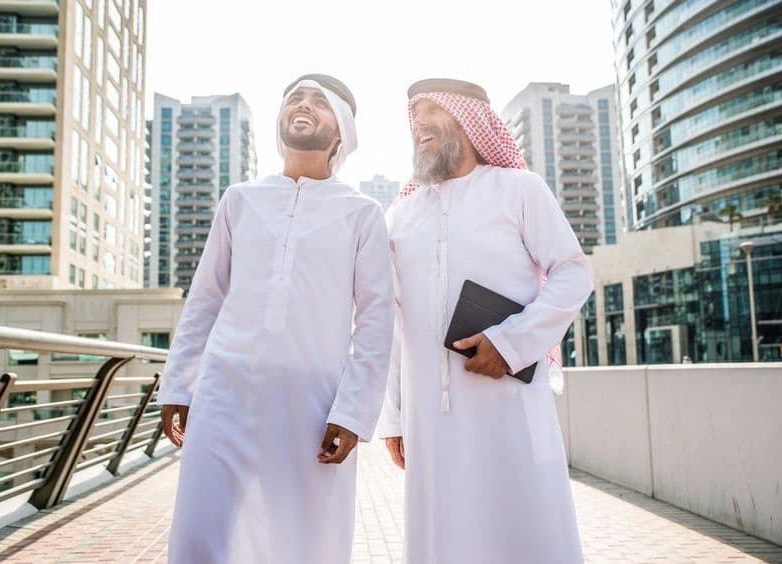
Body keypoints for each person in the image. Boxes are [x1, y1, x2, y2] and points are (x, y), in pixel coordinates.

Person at [158, 73, 394, 563]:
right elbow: (205, 300)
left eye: (319, 102)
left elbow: (374, 322)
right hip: (224, 392)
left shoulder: (362, 213)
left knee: (305, 541)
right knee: (200, 532)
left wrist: (353, 412)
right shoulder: (240, 200)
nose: (303, 106)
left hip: (311, 401)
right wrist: (179, 386)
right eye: (295, 98)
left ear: (342, 133)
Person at [378, 78, 592, 563]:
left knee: (523, 534)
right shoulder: (400, 217)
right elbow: (392, 324)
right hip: (428, 419)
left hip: (509, 407)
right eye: (415, 113)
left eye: (434, 109)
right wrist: (394, 417)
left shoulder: (518, 189)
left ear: (471, 121)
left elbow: (572, 274)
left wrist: (511, 343)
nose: (420, 122)